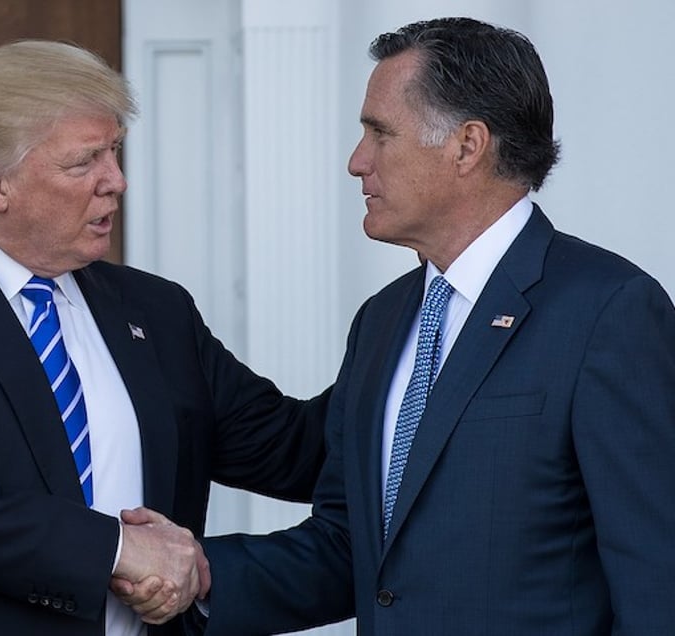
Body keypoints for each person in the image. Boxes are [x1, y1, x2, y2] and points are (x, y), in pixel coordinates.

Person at [121, 16, 675, 635]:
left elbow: (656, 575)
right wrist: (198, 573)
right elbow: (351, 548)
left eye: (379, 134)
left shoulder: (609, 310)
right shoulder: (383, 321)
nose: (358, 162)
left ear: (468, 146)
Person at [0, 40, 330, 636]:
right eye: (83, 161)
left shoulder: (156, 309)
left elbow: (298, 451)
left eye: (115, 152)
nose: (115, 181)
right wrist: (115, 549)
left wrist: (422, 321)